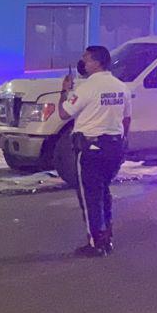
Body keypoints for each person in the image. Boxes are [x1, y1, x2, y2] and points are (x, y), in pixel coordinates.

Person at [58, 44, 131, 257]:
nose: (83, 63)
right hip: (114, 146)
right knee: (104, 192)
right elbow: (126, 119)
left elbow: (63, 113)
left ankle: (96, 243)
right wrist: (122, 141)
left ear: (97, 62)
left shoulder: (87, 88)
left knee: (90, 196)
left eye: (86, 59)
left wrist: (65, 90)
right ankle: (106, 237)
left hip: (91, 148)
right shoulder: (120, 87)